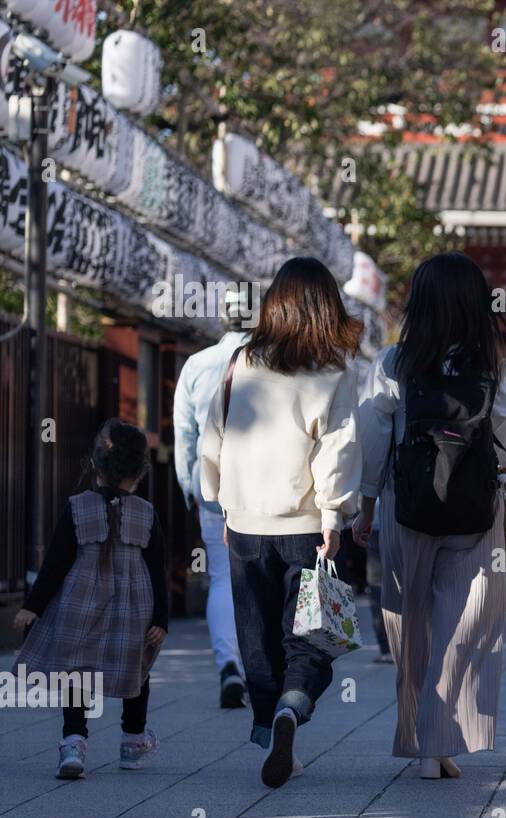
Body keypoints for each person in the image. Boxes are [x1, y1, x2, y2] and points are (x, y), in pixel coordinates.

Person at [353, 251, 506, 780]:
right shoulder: (496, 368)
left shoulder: (393, 364)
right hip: (474, 507)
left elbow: (374, 440)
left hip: (408, 506)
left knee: (411, 624)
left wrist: (365, 505)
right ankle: (437, 744)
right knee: (466, 625)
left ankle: (422, 736)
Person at [200, 256, 362, 789]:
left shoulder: (240, 362)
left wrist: (220, 502)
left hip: (245, 521)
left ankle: (272, 725)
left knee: (257, 633)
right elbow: (337, 450)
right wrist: (337, 514)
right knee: (309, 632)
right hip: (306, 524)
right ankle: (294, 707)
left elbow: (214, 437)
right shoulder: (333, 370)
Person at [13, 419, 167, 778]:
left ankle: (73, 744)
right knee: (137, 669)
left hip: (80, 605)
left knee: (76, 674)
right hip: (133, 608)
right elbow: (157, 569)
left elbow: (54, 563)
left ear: (96, 465)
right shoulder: (146, 513)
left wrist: (31, 607)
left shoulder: (76, 506)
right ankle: (133, 741)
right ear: (140, 471)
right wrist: (161, 618)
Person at [173, 289, 251, 708]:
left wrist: (192, 487)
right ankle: (263, 667)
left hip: (213, 490)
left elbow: (184, 434)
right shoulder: (275, 362)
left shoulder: (197, 365)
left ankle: (228, 665)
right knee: (261, 580)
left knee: (220, 578)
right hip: (266, 493)